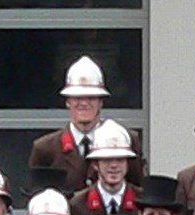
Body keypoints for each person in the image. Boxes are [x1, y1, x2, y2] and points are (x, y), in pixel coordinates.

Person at [32, 56, 138, 190]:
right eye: (77, 98)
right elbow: (38, 198)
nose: (84, 103)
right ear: (67, 102)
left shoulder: (128, 140)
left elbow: (137, 190)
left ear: (101, 102)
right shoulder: (45, 148)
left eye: (91, 97)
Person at [70, 121, 141, 215]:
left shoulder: (142, 200)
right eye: (107, 160)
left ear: (128, 163)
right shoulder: (78, 204)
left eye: (120, 159)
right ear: (95, 164)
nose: (114, 165)